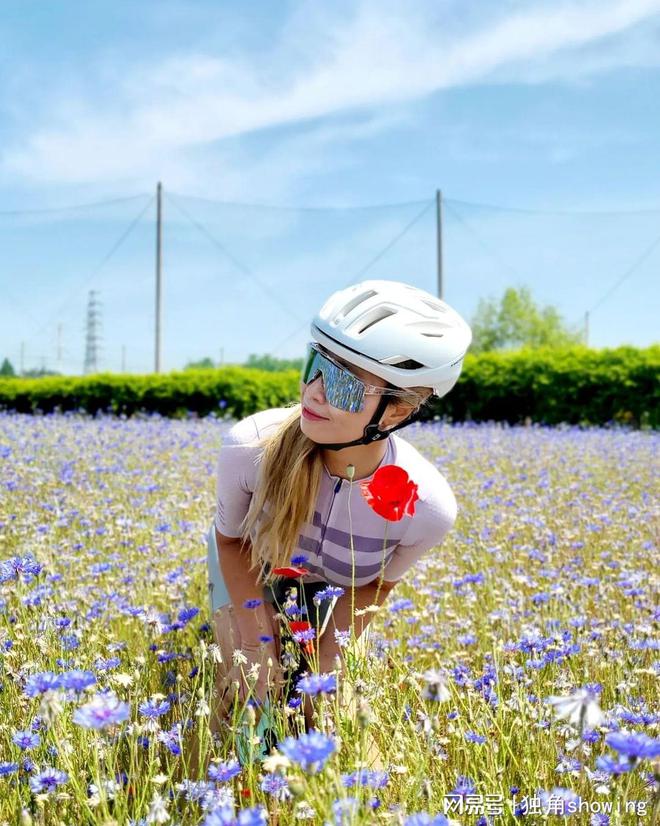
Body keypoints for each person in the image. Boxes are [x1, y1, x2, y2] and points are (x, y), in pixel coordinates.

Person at [206, 278, 472, 743]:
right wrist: (257, 641)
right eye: (315, 366)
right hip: (251, 565)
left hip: (336, 587)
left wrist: (326, 666)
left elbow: (373, 585)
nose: (313, 393)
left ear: (396, 412)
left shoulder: (427, 508)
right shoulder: (249, 448)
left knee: (331, 714)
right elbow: (230, 542)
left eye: (344, 386)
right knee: (248, 693)